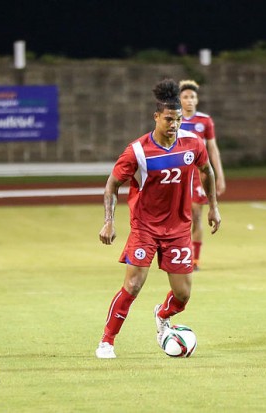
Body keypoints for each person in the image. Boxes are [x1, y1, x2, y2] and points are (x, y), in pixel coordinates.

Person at [95, 78, 221, 359]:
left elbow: (207, 171)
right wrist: (109, 220)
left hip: (179, 229)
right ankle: (107, 341)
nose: (174, 124)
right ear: (156, 117)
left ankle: (162, 315)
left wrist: (213, 206)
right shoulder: (137, 151)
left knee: (183, 295)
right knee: (133, 285)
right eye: (168, 119)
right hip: (145, 228)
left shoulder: (192, 144)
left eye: (178, 119)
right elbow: (112, 185)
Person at [178, 80, 226, 270]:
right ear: (180, 100)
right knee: (180, 217)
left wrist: (219, 175)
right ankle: (177, 254)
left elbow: (213, 149)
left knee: (196, 215)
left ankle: (194, 260)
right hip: (179, 173)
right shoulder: (173, 119)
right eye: (185, 97)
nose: (189, 100)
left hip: (198, 174)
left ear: (197, 100)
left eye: (192, 97)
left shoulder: (205, 121)